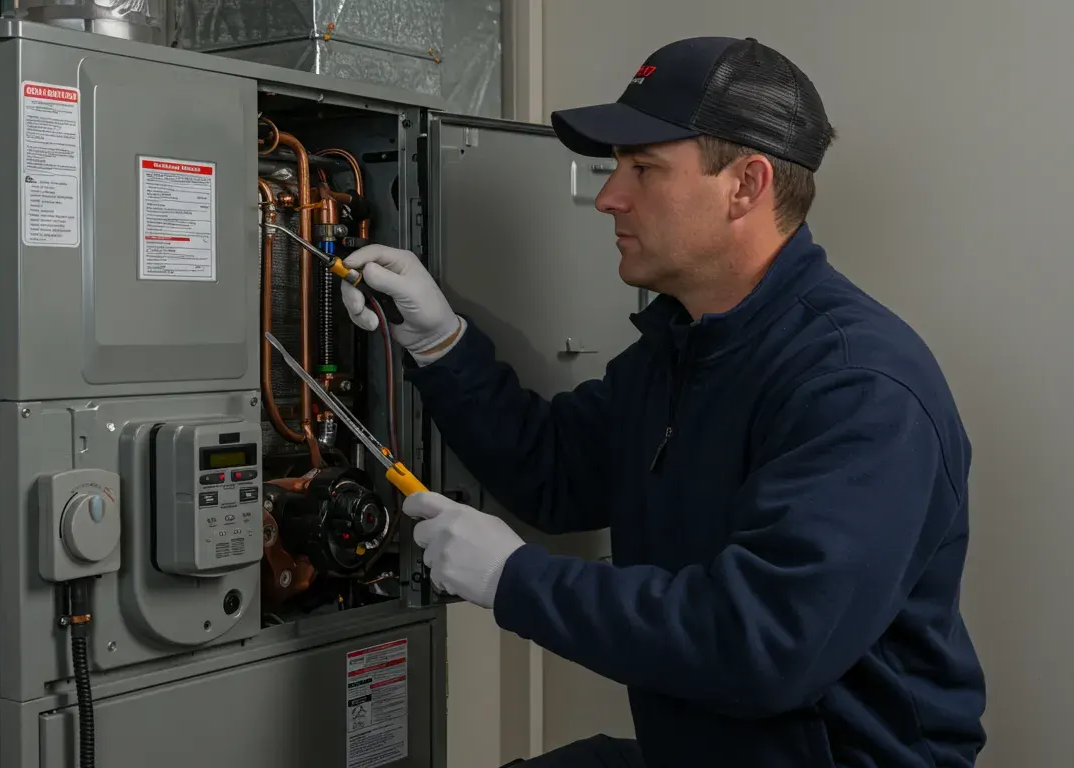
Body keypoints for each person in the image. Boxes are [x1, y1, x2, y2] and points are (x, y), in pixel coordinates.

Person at [340, 36, 987, 768]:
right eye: (616, 167)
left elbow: (765, 646)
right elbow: (553, 473)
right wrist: (440, 341)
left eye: (643, 168)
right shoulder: (682, 348)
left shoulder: (858, 386)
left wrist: (516, 580)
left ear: (747, 184)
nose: (611, 196)